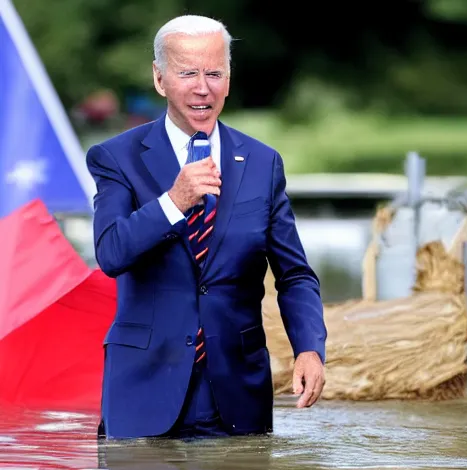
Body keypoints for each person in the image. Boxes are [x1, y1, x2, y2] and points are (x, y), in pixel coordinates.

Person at [86, 14, 327, 440]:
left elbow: (295, 275)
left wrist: (309, 348)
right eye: (188, 73)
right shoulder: (116, 157)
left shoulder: (262, 162)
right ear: (160, 80)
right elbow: (111, 253)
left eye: (214, 73)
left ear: (229, 80)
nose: (203, 87)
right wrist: (174, 201)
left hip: (236, 393)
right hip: (143, 389)